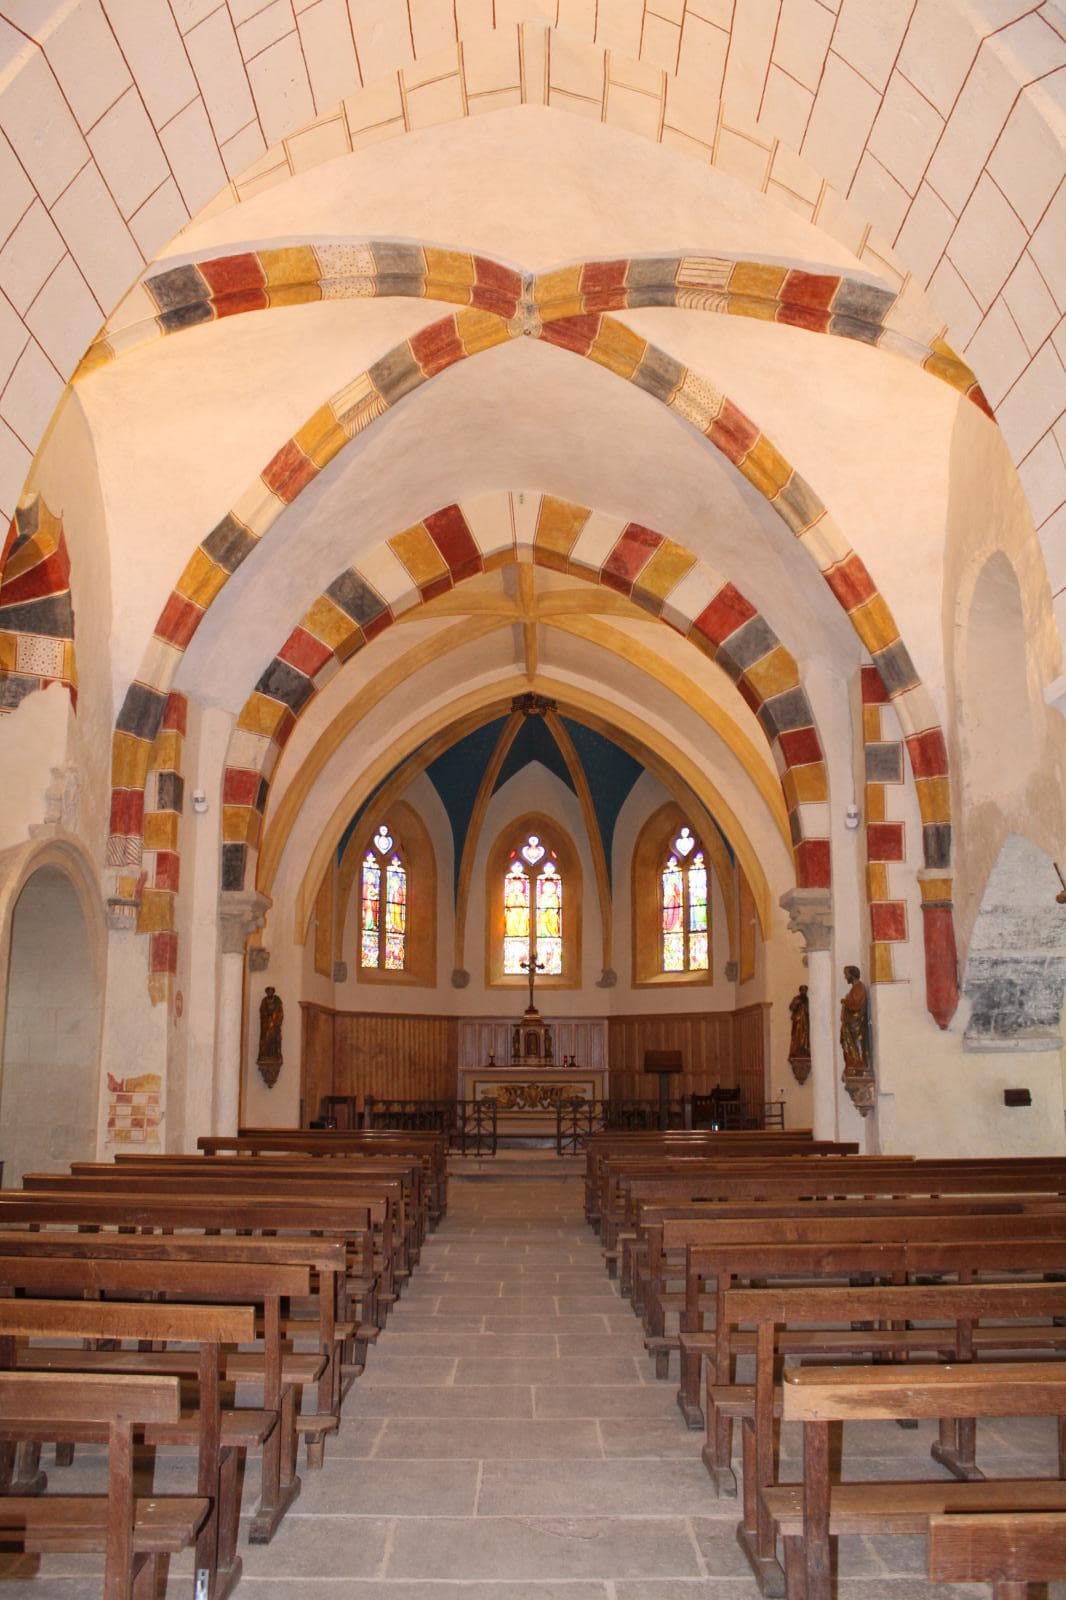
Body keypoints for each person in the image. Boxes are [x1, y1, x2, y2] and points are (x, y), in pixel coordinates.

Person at [788, 984, 811, 1083]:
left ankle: (805, 1051)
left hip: (805, 1024)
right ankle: (797, 1052)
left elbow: (810, 1011)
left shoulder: (808, 1000)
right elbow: (791, 1007)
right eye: (802, 990)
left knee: (805, 1039)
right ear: (800, 991)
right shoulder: (796, 998)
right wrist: (797, 1003)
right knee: (797, 1038)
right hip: (798, 1023)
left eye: (805, 991)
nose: (804, 992)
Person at [258, 986, 283, 1067]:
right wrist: (268, 1017)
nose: (270, 993)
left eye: (271, 991)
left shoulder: (277, 1000)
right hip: (266, 1024)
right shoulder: (264, 1001)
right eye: (268, 991)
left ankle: (275, 1055)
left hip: (275, 1024)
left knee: (275, 1039)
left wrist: (275, 1020)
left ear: (273, 992)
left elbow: (280, 1012)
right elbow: (262, 1011)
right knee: (266, 1038)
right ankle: (264, 1055)